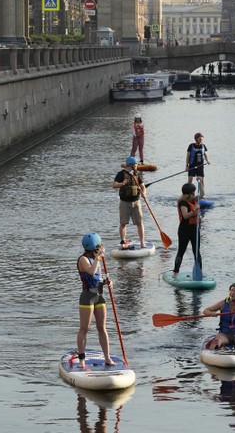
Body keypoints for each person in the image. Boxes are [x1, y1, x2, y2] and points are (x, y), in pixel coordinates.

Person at [75, 233, 116, 367]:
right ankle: (81, 360)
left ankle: (107, 358)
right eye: (99, 246)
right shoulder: (83, 260)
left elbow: (97, 278)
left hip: (99, 296)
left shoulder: (96, 259)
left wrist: (107, 282)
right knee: (84, 329)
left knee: (102, 328)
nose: (101, 248)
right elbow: (91, 272)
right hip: (87, 297)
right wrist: (98, 258)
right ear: (94, 247)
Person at [111, 157, 146, 248]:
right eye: (136, 164)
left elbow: (143, 187)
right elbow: (114, 185)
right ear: (131, 165)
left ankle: (142, 242)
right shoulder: (121, 174)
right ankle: (123, 241)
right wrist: (122, 184)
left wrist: (144, 194)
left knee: (139, 223)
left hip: (136, 202)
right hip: (125, 202)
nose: (137, 166)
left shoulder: (136, 174)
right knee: (123, 223)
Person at [173, 183, 201, 276]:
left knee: (196, 251)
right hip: (184, 230)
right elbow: (185, 216)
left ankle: (199, 272)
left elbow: (202, 194)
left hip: (195, 229)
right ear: (187, 194)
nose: (194, 194)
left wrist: (201, 182)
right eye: (192, 193)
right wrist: (194, 210)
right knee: (181, 251)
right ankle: (176, 272)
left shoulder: (194, 200)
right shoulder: (182, 203)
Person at [186, 132, 210, 198]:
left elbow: (205, 154)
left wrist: (208, 161)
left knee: (201, 179)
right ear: (196, 139)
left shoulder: (203, 146)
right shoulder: (191, 146)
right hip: (192, 165)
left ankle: (202, 195)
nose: (201, 140)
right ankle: (188, 194)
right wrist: (186, 165)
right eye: (200, 139)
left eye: (202, 139)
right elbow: (188, 156)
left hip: (200, 166)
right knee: (190, 180)